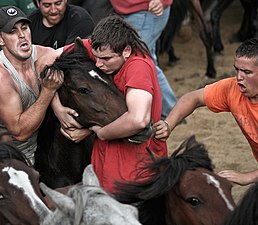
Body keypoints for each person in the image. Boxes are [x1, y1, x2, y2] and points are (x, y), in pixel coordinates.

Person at [53, 15, 168, 193]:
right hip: (106, 158)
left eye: (105, 59)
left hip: (135, 162)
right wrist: (58, 108)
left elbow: (138, 120)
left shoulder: (138, 66)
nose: (98, 64)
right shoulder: (105, 49)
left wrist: (99, 132)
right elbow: (46, 59)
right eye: (97, 57)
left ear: (126, 51)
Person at [154, 38, 258, 186]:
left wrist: (247, 177)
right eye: (237, 69)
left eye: (247, 72)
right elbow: (193, 98)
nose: (239, 77)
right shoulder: (232, 89)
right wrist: (168, 124)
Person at [0, 6, 64, 165]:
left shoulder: (41, 55)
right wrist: (48, 91)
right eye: (12, 31)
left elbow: (74, 49)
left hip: (29, 155)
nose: (21, 35)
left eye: (24, 28)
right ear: (0, 39)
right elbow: (20, 131)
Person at [110, 0, 177, 119]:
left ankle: (171, 111)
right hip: (135, 12)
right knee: (147, 61)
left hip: (145, 12)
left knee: (138, 60)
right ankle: (170, 110)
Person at [28, 0, 95, 49]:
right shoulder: (31, 21)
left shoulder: (79, 18)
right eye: (47, 5)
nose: (53, 10)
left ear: (65, 1)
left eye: (58, 3)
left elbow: (74, 56)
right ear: (38, 3)